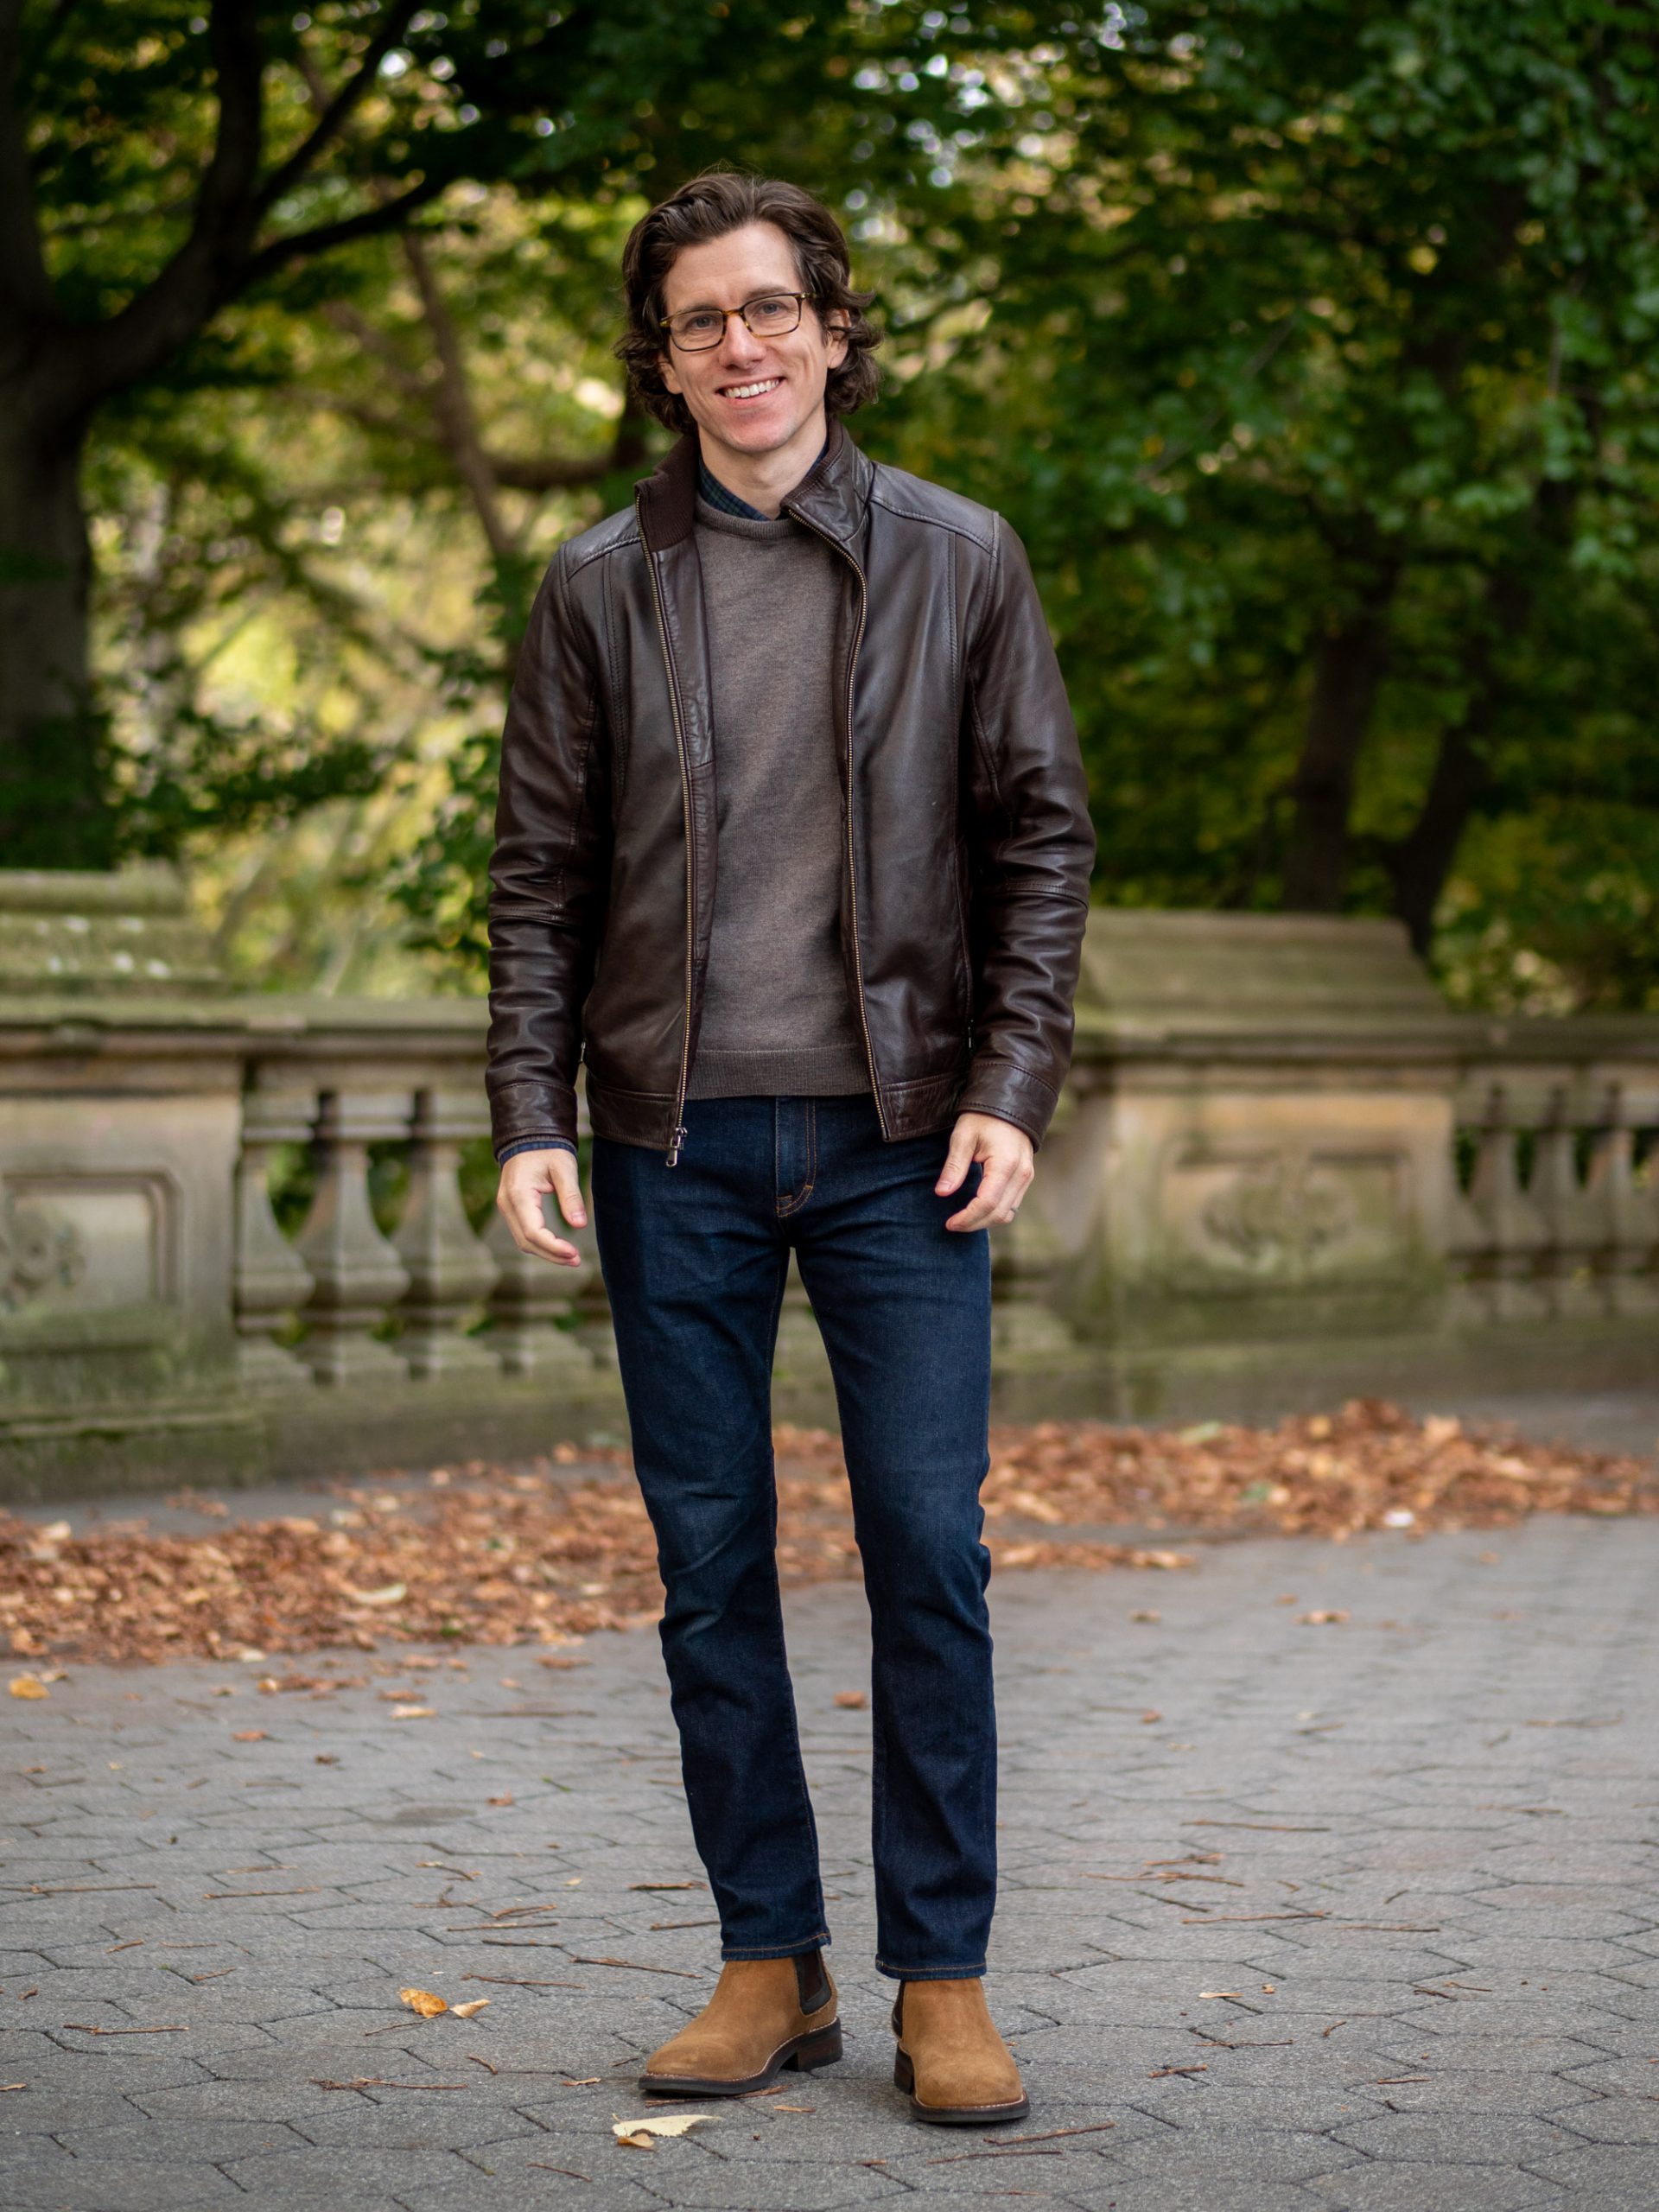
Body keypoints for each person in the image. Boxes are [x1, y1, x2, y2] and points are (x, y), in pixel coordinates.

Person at [486, 170, 1093, 2125]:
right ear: (660, 365)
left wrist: (1011, 1078)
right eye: (696, 323)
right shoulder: (596, 584)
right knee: (710, 1556)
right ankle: (771, 1957)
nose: (738, 348)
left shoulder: (958, 555)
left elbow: (1038, 837)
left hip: (903, 1141)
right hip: (669, 1140)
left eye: (769, 310)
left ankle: (945, 1974)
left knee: (927, 1544)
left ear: (833, 324)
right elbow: (539, 877)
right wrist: (527, 1113)